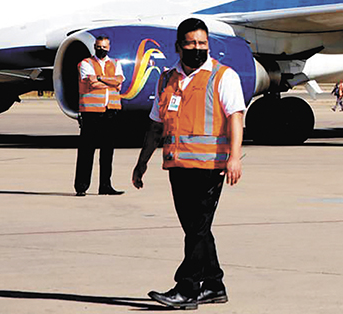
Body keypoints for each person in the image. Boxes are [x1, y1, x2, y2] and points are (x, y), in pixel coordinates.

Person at [132, 18, 245, 310]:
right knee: (196, 229)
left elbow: (236, 117)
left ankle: (187, 288)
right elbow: (156, 124)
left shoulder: (223, 77)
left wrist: (234, 157)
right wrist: (141, 162)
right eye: (191, 44)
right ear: (178, 47)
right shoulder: (167, 79)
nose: (197, 49)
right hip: (177, 164)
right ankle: (214, 285)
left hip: (210, 166)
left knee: (196, 228)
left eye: (202, 44)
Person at [74, 35, 125, 196]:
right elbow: (92, 83)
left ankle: (105, 185)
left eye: (104, 47)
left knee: (107, 151)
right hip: (91, 112)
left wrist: (101, 78)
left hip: (110, 110)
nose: (101, 49)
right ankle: (81, 186)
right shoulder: (85, 63)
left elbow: (119, 81)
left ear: (109, 47)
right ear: (94, 47)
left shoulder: (116, 63)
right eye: (98, 46)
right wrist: (110, 82)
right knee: (87, 150)